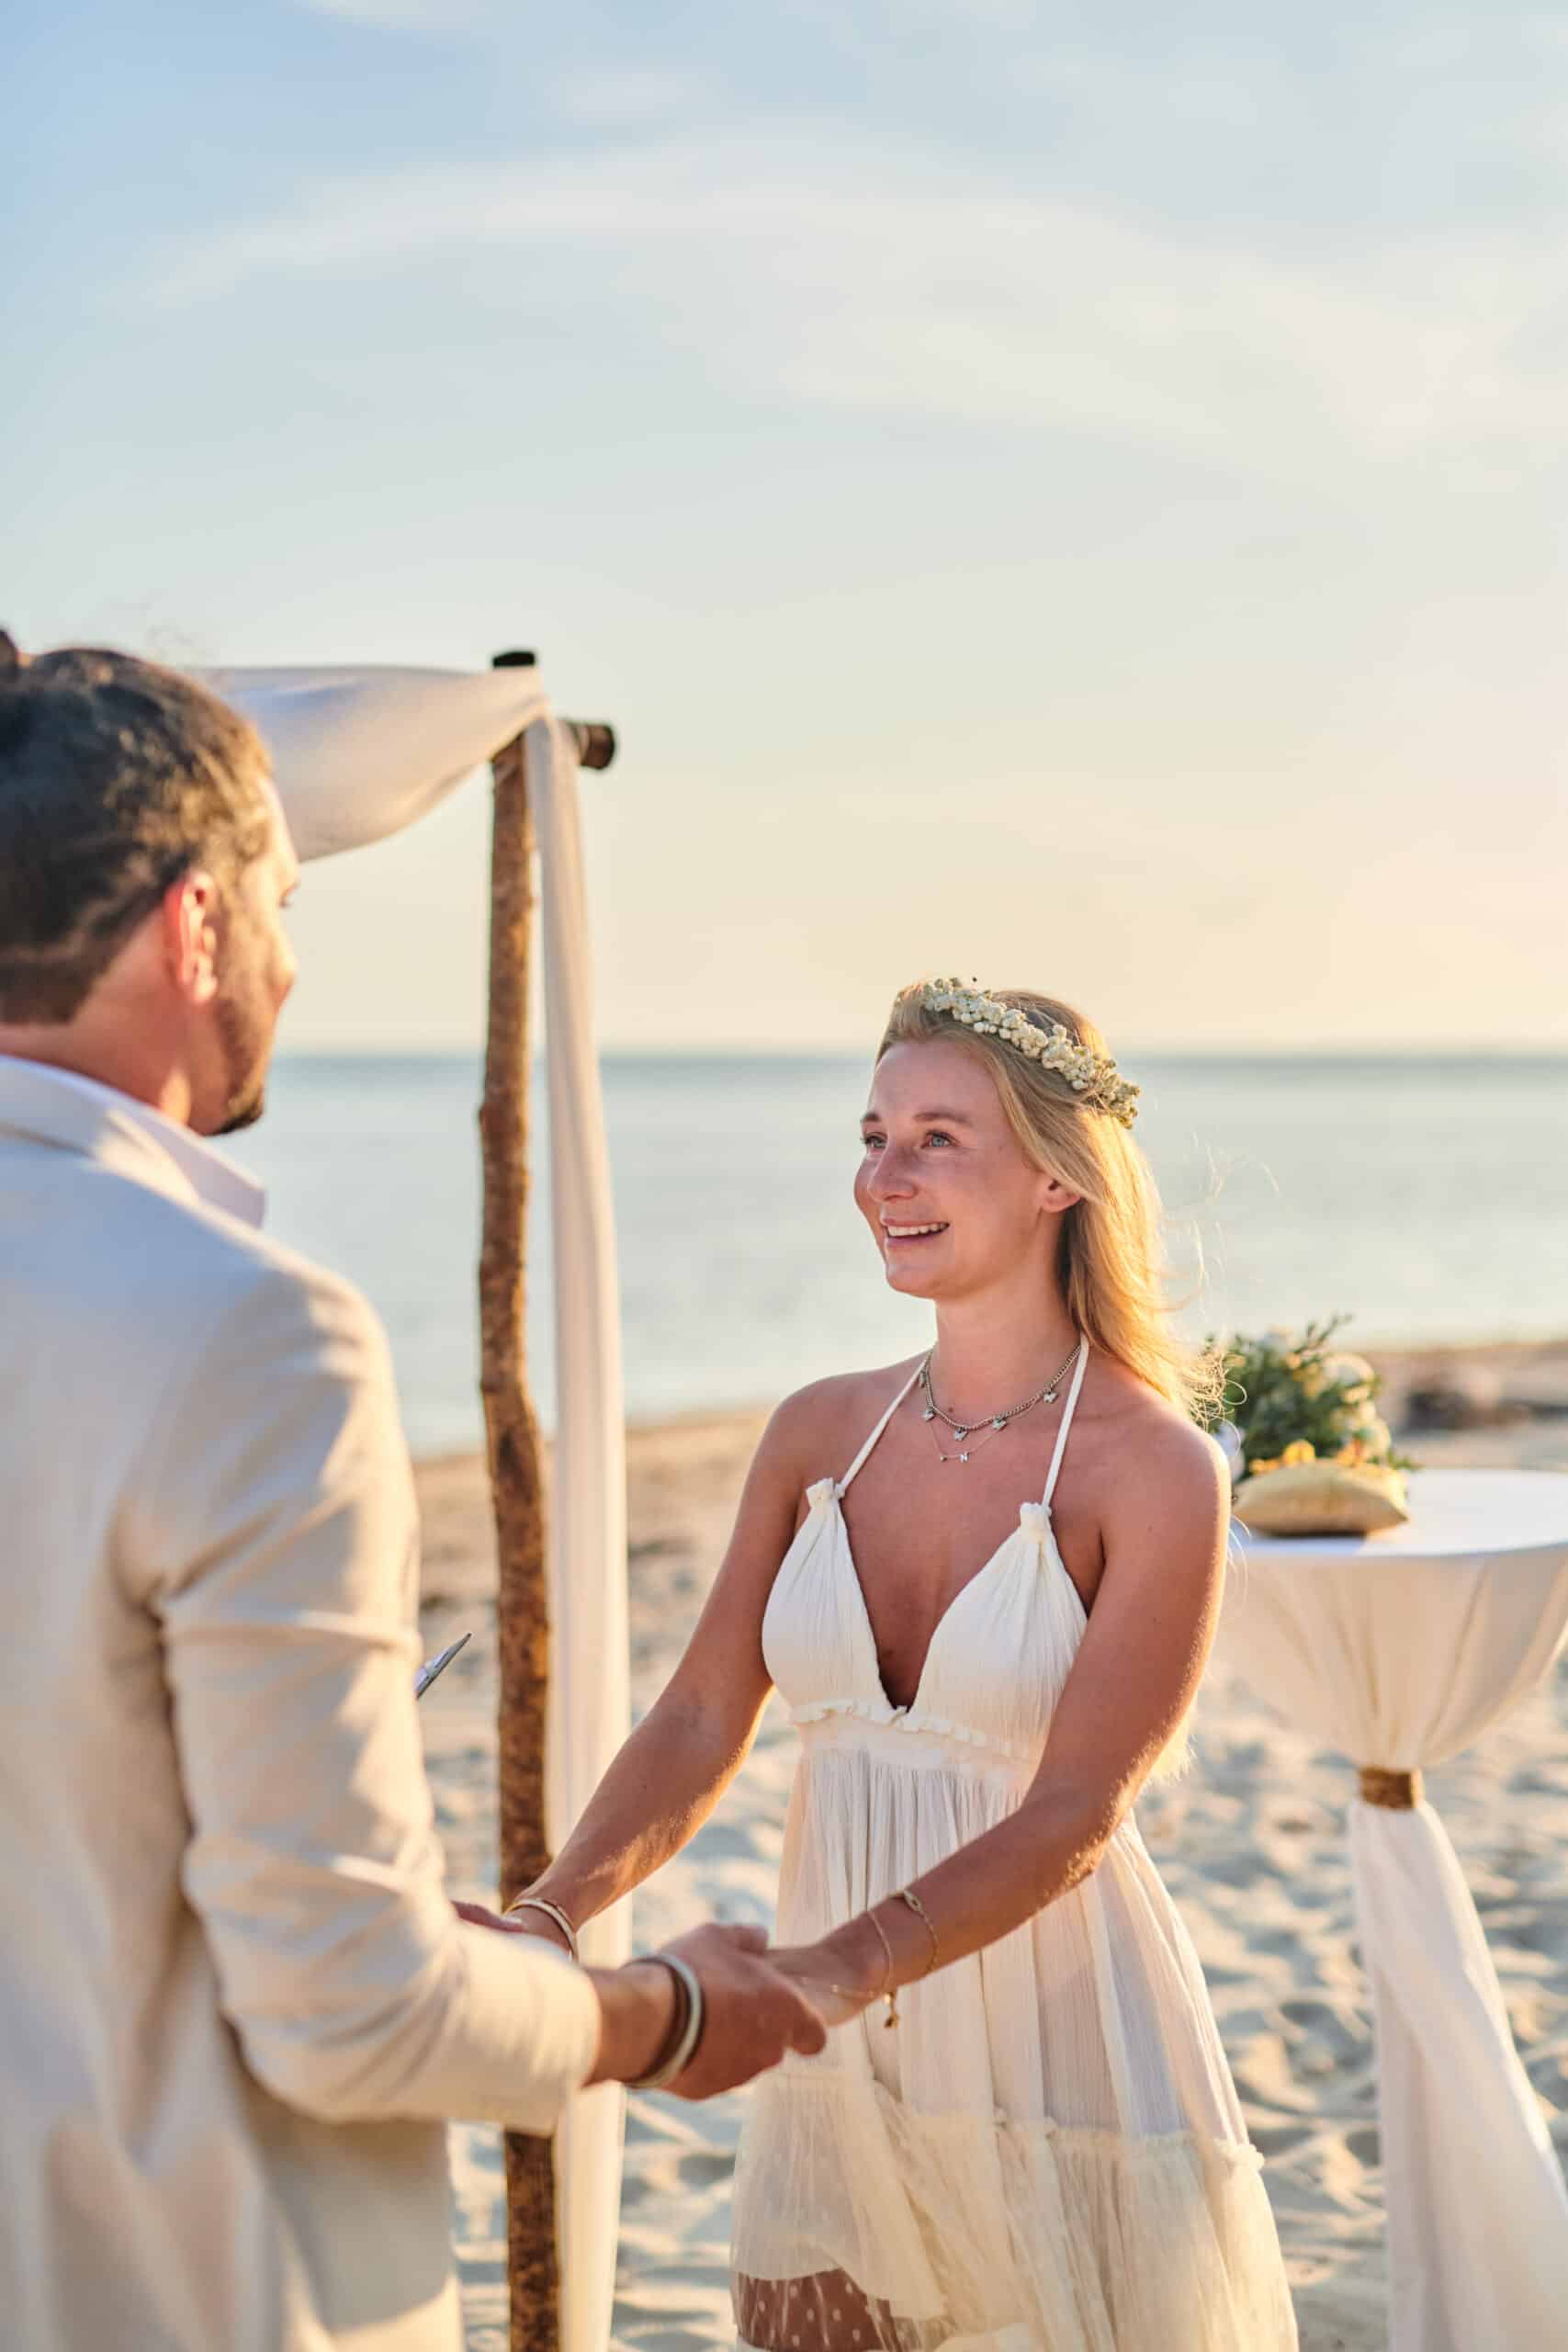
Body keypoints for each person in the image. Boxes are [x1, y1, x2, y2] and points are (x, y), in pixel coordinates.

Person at [0, 637, 826, 2352]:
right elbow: (348, 2019)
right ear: (195, 926)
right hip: (178, 2282)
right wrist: (662, 2013)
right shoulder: (239, 1335)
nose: (293, 967)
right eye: (285, 905)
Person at [504, 978, 1299, 2348]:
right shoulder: (818, 1433)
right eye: (874, 1137)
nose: (886, 1177)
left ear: (1057, 1175)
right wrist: (551, 1913)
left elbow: (1077, 1813)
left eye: (938, 1138)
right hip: (833, 2060)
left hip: (1055, 2049)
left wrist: (828, 1970)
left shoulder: (1154, 1468)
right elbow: (699, 1718)